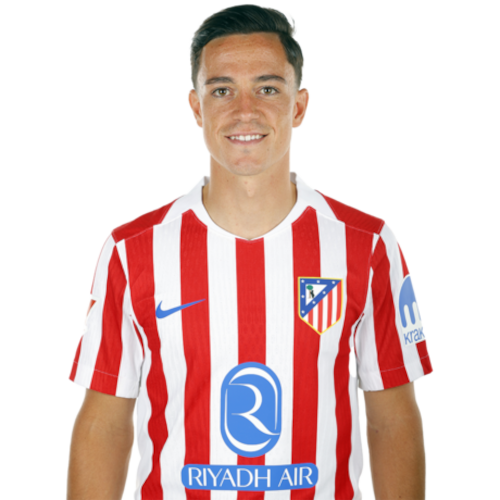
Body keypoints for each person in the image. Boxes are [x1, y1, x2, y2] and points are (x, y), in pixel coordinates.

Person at [66, 4, 432, 499]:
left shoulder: (366, 244)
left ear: (298, 106)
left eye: (267, 89)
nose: (244, 111)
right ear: (196, 106)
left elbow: (391, 414)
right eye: (222, 90)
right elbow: (106, 418)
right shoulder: (131, 251)